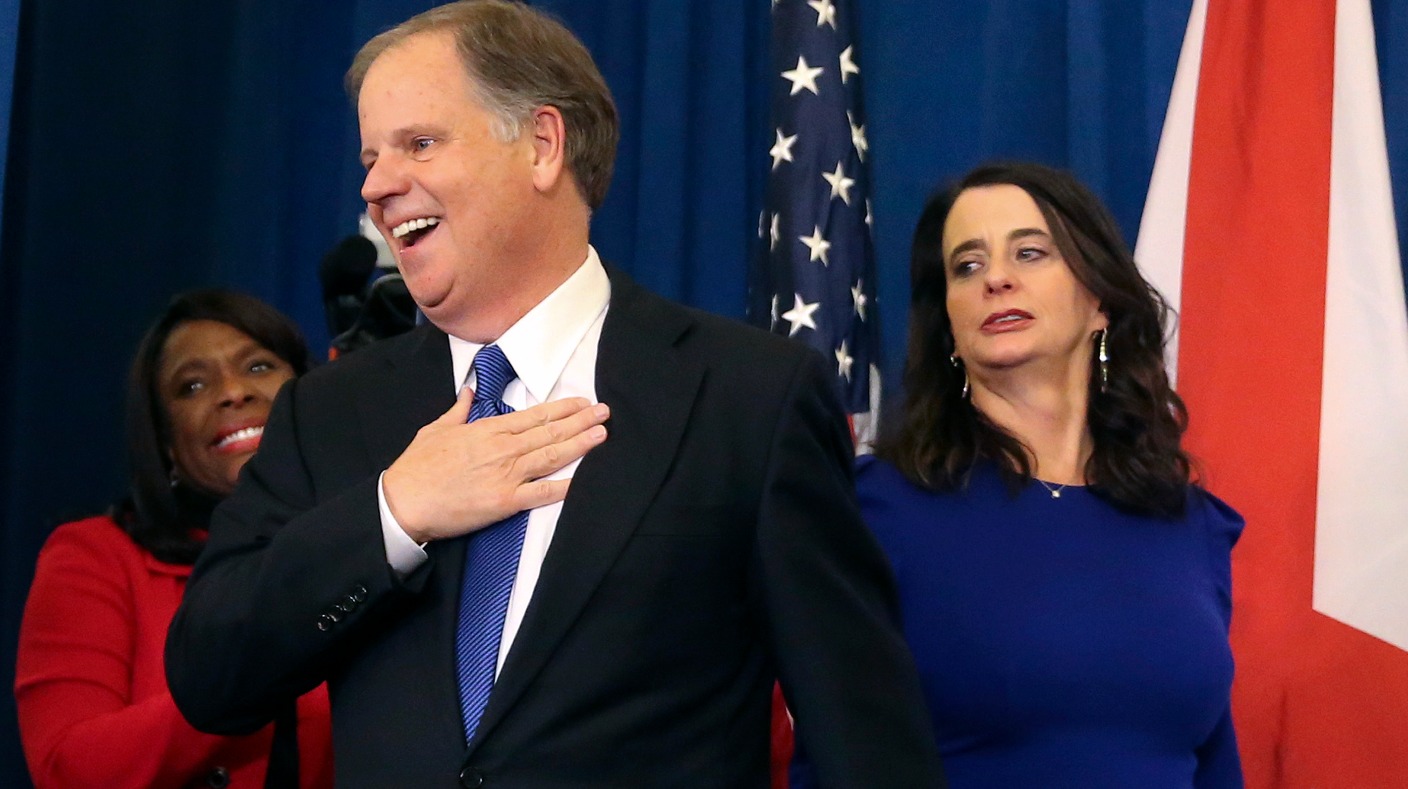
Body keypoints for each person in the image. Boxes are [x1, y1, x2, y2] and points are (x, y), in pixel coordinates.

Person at [164, 2, 944, 787]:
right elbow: (210, 674)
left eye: (419, 144)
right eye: (370, 157)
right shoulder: (329, 412)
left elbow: (864, 733)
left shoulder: (748, 398)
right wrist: (393, 514)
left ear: (542, 145)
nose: (376, 186)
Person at [796, 161, 1243, 787]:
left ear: (1100, 300)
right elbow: (835, 756)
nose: (996, 279)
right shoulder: (876, 509)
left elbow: (1213, 762)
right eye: (966, 266)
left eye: (1030, 253)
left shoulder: (1187, 523)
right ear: (949, 327)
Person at [15, 289, 333, 788]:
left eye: (257, 367)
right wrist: (247, 676)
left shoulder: (367, 542)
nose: (233, 392)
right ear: (165, 443)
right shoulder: (96, 556)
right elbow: (67, 768)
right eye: (192, 386)